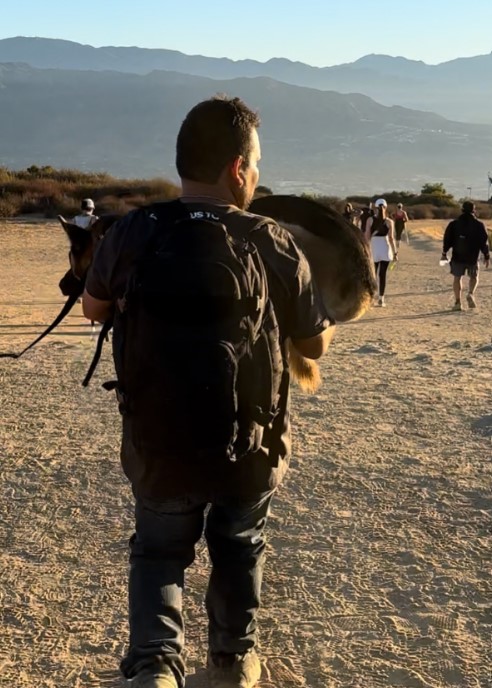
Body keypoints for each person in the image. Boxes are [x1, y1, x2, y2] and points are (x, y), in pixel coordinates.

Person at [82, 95, 335, 688]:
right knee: (241, 543)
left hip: (158, 439)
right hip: (250, 444)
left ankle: (153, 667)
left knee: (158, 551)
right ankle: (231, 662)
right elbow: (315, 347)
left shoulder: (135, 230)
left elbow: (94, 307)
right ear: (238, 169)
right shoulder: (271, 238)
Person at [441, 200, 490, 310]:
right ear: (474, 211)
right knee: (474, 277)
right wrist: (486, 255)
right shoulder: (479, 225)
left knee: (457, 278)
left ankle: (458, 302)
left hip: (458, 256)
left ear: (462, 210)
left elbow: (447, 239)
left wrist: (444, 253)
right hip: (472, 257)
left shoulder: (454, 224)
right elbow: (484, 241)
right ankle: (471, 293)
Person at [365, 198, 398, 307]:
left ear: (376, 206)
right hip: (385, 248)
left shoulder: (370, 220)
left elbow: (367, 237)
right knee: (382, 275)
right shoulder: (389, 222)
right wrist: (395, 253)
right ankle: (381, 299)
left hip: (374, 248)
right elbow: (391, 238)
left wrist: (366, 249)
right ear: (386, 206)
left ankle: (370, 298)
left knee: (372, 274)